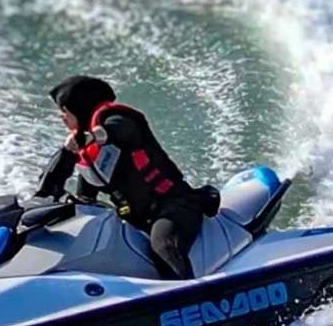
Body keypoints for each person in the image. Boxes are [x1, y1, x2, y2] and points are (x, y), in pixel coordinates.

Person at [34, 75, 217, 280]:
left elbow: (120, 130)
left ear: (79, 109)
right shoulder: (89, 156)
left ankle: (188, 298)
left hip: (174, 206)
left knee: (163, 247)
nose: (62, 118)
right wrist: (65, 153)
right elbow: (71, 195)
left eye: (65, 111)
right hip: (136, 221)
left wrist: (92, 136)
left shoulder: (118, 120)